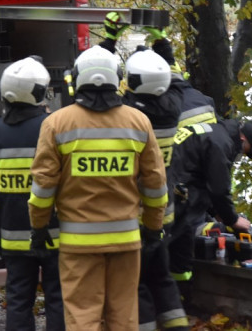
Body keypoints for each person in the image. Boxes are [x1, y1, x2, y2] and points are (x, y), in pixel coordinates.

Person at [28, 45, 168, 330]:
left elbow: (43, 187)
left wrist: (39, 229)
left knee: (82, 317)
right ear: (118, 78)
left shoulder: (56, 123)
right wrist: (154, 229)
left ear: (77, 78)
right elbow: (155, 183)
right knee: (124, 317)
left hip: (77, 245)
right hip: (126, 241)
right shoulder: (139, 122)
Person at [0, 56, 65, 331]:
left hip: (12, 236)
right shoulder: (53, 126)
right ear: (38, 92)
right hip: (55, 235)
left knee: (17, 299)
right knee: (58, 298)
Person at [123, 48, 190, 331]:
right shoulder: (173, 107)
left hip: (135, 215)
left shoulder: (127, 115)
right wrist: (165, 57)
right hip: (164, 213)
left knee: (136, 283)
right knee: (162, 277)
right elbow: (176, 83)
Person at [168, 116, 252, 282]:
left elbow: (205, 178)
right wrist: (233, 220)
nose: (242, 155)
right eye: (246, 151)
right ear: (243, 138)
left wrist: (216, 212)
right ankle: (178, 291)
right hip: (178, 195)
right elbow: (219, 189)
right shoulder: (221, 143)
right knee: (178, 247)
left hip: (170, 185)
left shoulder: (214, 131)